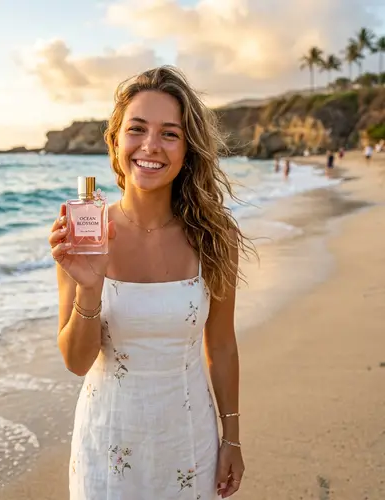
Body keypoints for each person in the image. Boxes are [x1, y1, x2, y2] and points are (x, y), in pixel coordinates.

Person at [49, 66, 255, 499]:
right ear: (115, 140)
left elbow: (220, 344)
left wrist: (231, 437)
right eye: (137, 129)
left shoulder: (214, 237)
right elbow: (75, 361)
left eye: (170, 134)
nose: (150, 146)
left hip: (188, 439)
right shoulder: (82, 233)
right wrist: (90, 287)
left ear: (187, 149)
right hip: (105, 443)